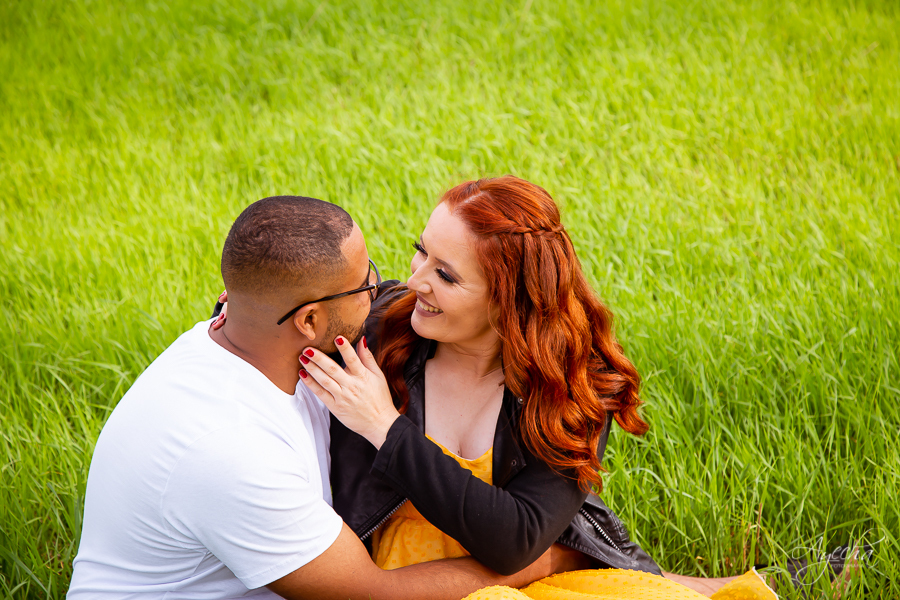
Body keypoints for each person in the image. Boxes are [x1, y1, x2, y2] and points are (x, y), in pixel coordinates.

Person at [67, 195, 582, 600]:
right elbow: (367, 593)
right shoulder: (229, 448)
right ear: (309, 320)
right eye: (365, 285)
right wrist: (547, 562)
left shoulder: (256, 341)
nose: (389, 291)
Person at [299, 177, 778, 599]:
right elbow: (267, 322)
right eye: (421, 249)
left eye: (445, 275)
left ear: (510, 300)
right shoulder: (380, 329)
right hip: (393, 581)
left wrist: (384, 426)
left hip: (527, 575)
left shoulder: (570, 384)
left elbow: (515, 540)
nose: (416, 280)